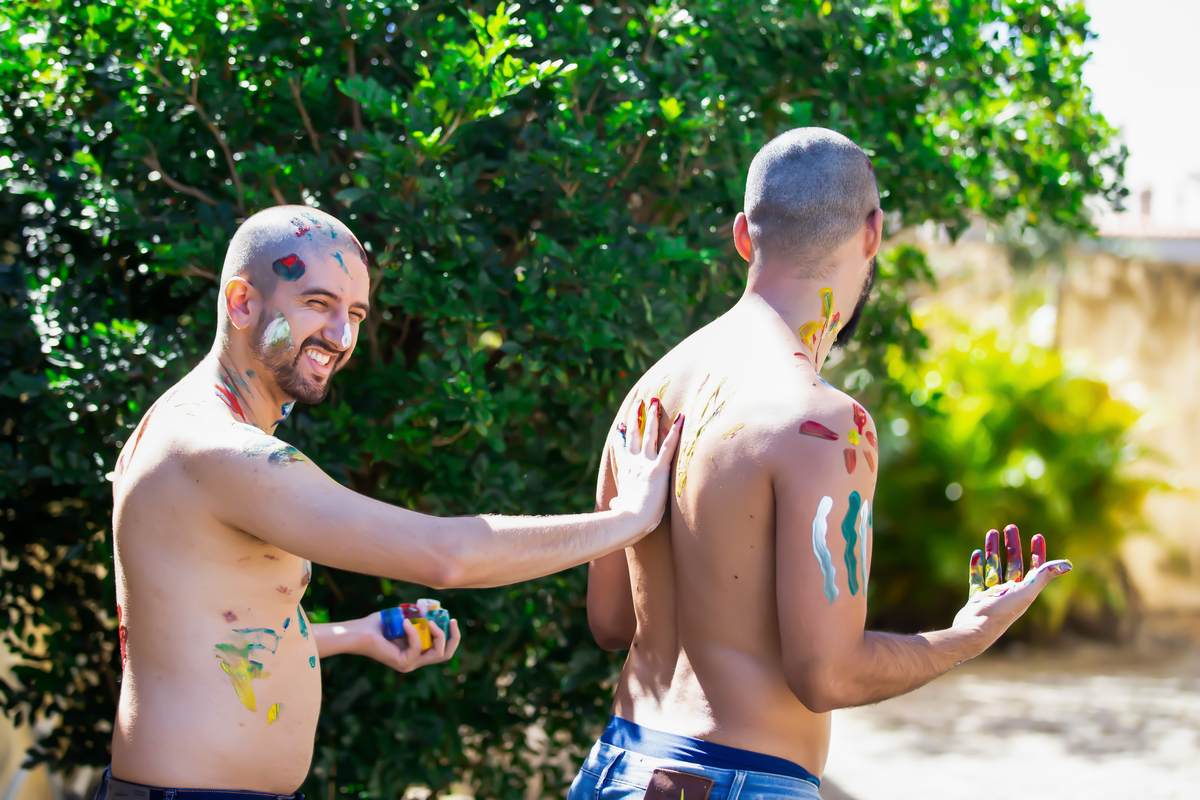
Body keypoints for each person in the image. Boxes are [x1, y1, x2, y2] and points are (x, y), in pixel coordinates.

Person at [100, 205, 683, 800]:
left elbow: (206, 629)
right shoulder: (219, 450)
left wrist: (355, 633)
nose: (341, 337)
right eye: (317, 304)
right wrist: (627, 519)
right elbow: (445, 555)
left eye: (354, 313)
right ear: (243, 301)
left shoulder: (181, 427)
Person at [574, 128, 1072, 800]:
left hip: (615, 768)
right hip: (742, 780)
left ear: (743, 236)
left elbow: (610, 622)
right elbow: (825, 675)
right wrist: (967, 635)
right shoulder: (825, 425)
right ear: (874, 233)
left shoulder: (649, 396)